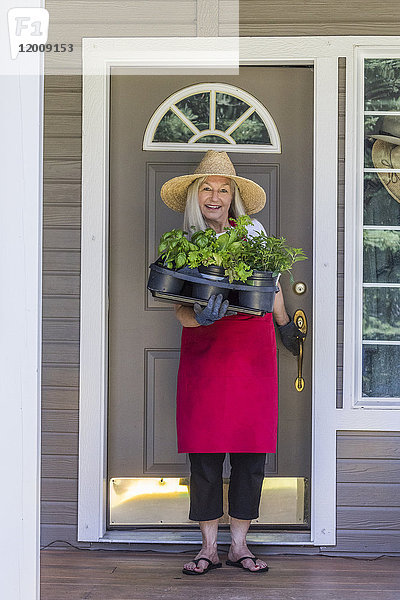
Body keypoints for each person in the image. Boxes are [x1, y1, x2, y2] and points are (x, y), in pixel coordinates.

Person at [160, 150, 304, 575]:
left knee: (250, 450)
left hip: (252, 352)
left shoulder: (253, 232)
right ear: (194, 195)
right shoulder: (184, 243)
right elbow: (178, 311)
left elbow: (272, 285)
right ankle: (207, 548)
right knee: (204, 451)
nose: (215, 196)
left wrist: (284, 327)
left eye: (223, 189)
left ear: (233, 197)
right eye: (207, 188)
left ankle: (240, 545)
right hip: (206, 351)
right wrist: (197, 317)